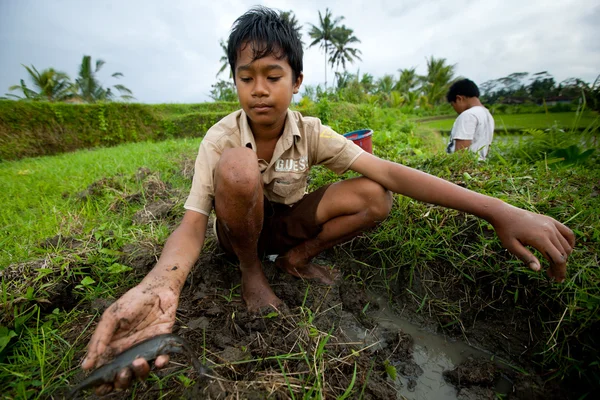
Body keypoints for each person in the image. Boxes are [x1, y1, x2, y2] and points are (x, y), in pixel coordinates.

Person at [81, 7, 575, 395]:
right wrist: (160, 284)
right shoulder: (221, 137)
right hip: (237, 236)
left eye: (273, 76)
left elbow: (387, 171)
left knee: (373, 194)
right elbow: (191, 225)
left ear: (296, 81)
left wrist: (496, 208)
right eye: (246, 76)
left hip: (282, 224)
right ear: (234, 80)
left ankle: (296, 259)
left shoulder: (310, 132)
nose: (259, 90)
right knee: (237, 168)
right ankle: (254, 274)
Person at [446, 79, 495, 160]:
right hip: (478, 166)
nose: (454, 108)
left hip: (464, 169)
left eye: (452, 105)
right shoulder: (487, 115)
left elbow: (460, 153)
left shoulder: (467, 115)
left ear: (459, 99)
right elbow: (487, 148)